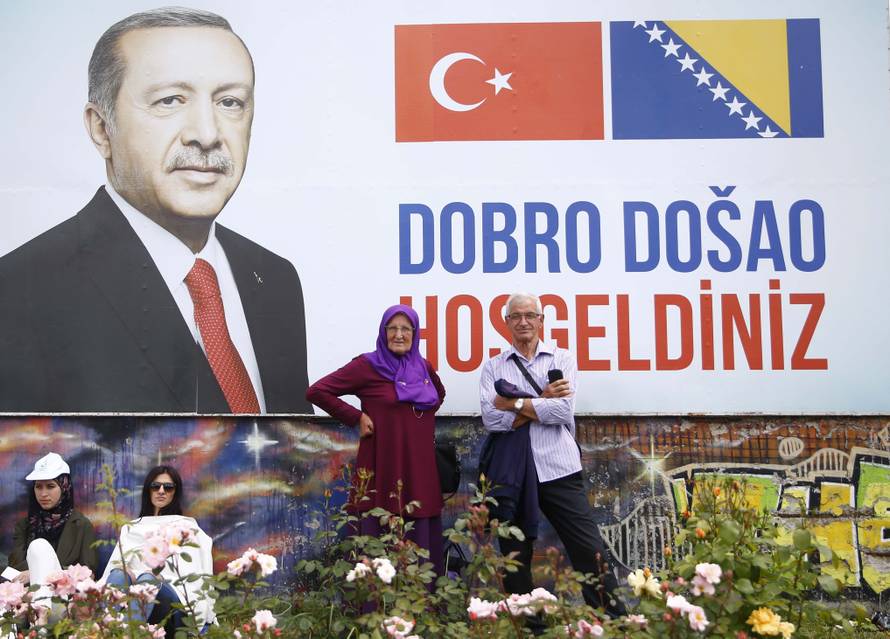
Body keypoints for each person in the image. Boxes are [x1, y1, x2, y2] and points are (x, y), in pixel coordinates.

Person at [0, 7, 310, 414]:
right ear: (101, 128)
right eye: (170, 100)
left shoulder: (275, 279)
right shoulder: (19, 291)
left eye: (230, 102)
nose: (207, 134)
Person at [479, 293, 626, 617]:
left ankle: (615, 622)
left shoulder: (562, 359)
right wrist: (542, 399)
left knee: (589, 549)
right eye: (516, 316)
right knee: (515, 557)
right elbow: (491, 419)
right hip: (513, 475)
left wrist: (515, 403)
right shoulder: (493, 367)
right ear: (506, 322)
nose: (523, 322)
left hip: (559, 468)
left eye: (530, 315)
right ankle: (529, 627)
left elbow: (562, 411)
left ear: (541, 320)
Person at [306, 304, 446, 573]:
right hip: (382, 467)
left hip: (420, 470)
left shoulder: (424, 367)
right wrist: (356, 417)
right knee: (378, 531)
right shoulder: (367, 366)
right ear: (383, 332)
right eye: (392, 328)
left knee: (420, 538)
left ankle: (422, 599)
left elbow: (438, 396)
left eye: (406, 329)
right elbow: (317, 391)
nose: (399, 334)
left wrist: (415, 422)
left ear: (415, 333)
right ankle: (376, 597)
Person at [101, 465, 215, 628]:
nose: (161, 491)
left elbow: (191, 575)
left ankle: (131, 633)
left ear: (175, 492)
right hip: (133, 589)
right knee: (119, 575)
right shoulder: (131, 527)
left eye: (168, 487)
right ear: (148, 490)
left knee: (148, 580)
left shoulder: (185, 527)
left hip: (173, 598)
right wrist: (128, 573)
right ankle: (104, 629)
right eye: (156, 486)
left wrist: (156, 577)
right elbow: (114, 569)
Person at [8, 453, 98, 612]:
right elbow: (14, 568)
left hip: (64, 603)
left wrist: (35, 573)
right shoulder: (25, 525)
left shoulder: (81, 525)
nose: (43, 494)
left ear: (64, 487)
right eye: (38, 486)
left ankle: (42, 615)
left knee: (39, 546)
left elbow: (88, 574)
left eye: (50, 486)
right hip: (26, 601)